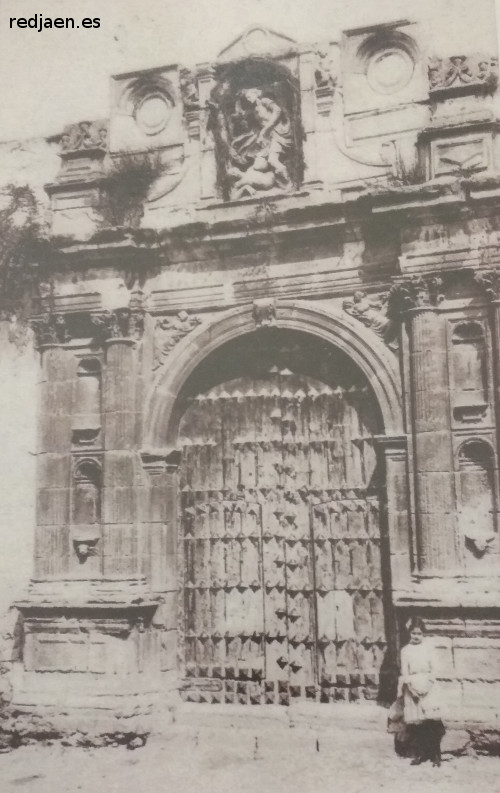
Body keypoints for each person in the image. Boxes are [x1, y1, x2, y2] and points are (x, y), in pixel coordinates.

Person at [397, 617, 445, 766]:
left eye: (419, 633)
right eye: (413, 633)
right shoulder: (405, 651)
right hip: (413, 688)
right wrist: (411, 690)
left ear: (423, 633)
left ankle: (436, 755)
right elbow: (405, 672)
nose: (416, 636)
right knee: (418, 725)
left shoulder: (429, 648)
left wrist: (427, 687)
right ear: (409, 633)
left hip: (428, 687)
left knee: (432, 723)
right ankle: (421, 754)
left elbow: (435, 669)